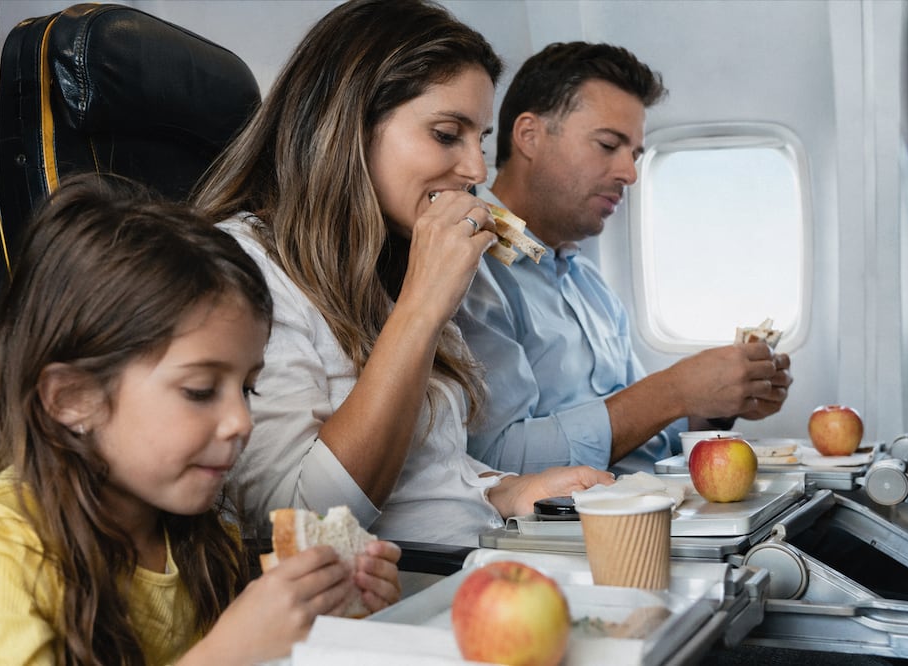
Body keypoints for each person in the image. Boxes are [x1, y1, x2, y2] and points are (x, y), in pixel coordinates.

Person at [0, 175, 402, 666]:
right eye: (200, 391)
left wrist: (324, 623)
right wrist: (228, 653)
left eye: (247, 388)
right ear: (73, 398)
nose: (241, 422)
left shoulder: (197, 541)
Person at [192, 0, 614, 548]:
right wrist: (423, 306)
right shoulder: (243, 270)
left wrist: (506, 490)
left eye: (480, 140)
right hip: (399, 581)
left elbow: (429, 471)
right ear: (350, 125)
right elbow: (301, 524)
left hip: (468, 557)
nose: (477, 170)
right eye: (447, 134)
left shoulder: (382, 265)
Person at [456, 41, 794, 475]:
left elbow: (644, 435)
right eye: (608, 145)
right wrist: (672, 391)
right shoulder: (473, 268)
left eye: (634, 155)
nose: (630, 174)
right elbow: (494, 462)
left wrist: (718, 400)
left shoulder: (587, 283)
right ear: (529, 136)